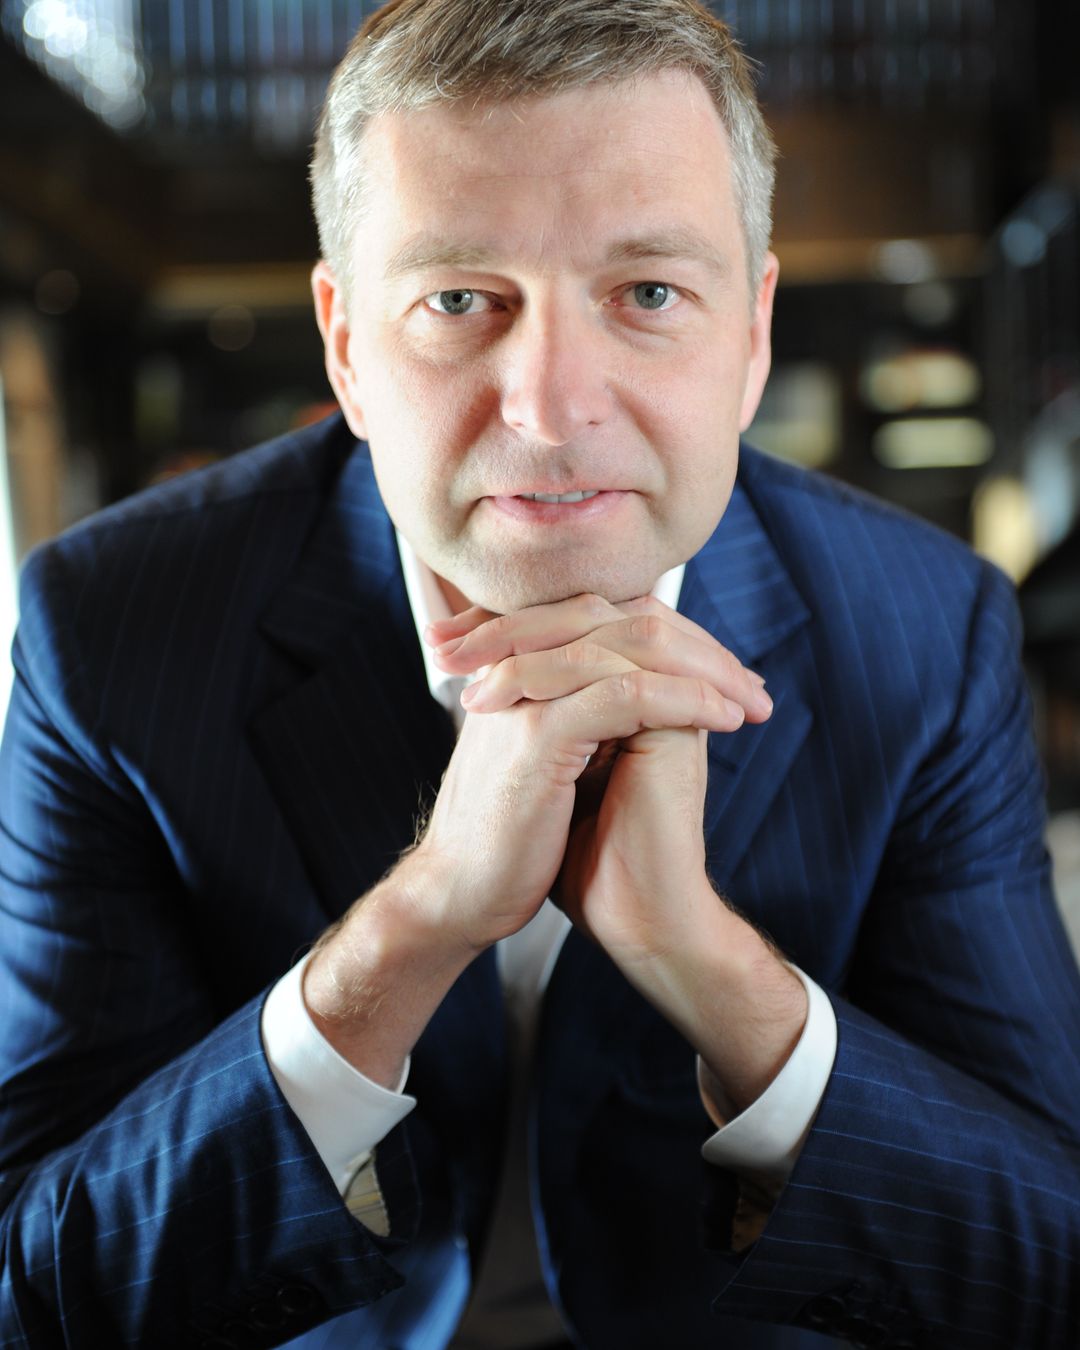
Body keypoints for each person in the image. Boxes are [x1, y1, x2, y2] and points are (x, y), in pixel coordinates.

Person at [0, 1, 1077, 1346]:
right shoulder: (110, 628)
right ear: (346, 345)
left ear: (752, 337)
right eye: (459, 299)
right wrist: (413, 929)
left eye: (649, 294)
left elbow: (1048, 1266)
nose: (553, 407)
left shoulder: (926, 630)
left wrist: (709, 964)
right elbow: (33, 1290)